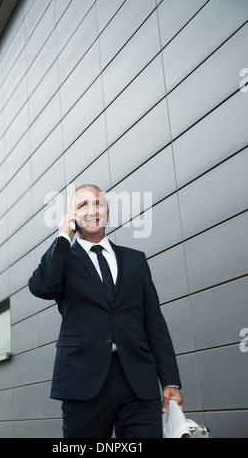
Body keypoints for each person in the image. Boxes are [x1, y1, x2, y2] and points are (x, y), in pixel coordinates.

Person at [28, 184, 183, 438]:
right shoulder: (62, 260)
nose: (91, 210)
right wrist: (63, 237)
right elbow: (41, 287)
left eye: (97, 204)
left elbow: (155, 323)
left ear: (108, 214)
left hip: (138, 380)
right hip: (83, 380)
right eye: (82, 205)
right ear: (73, 217)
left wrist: (170, 381)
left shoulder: (136, 260)